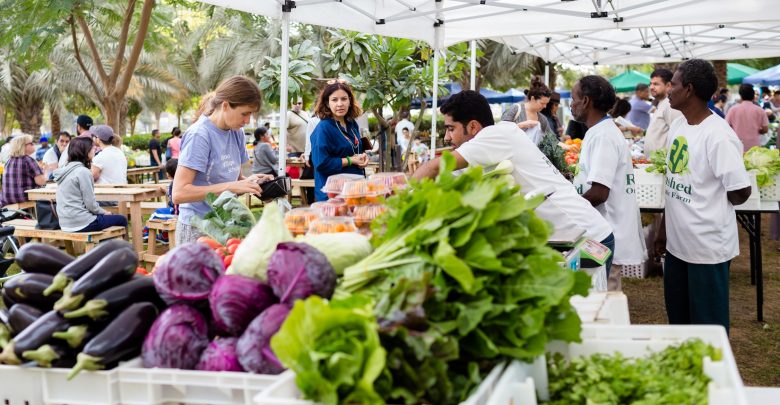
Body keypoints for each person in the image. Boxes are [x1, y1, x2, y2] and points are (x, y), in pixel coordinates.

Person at [412, 90, 614, 264]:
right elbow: (449, 180)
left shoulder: (494, 136)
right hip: (570, 236)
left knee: (588, 307)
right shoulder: (487, 145)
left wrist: (401, 193)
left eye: (450, 129)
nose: (447, 137)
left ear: (473, 126)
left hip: (587, 236)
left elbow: (435, 167)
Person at [653, 59, 752, 333]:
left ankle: (711, 374)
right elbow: (675, 184)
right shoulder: (679, 127)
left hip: (708, 250)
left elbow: (740, 190)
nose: (669, 89)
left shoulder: (719, 136)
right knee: (680, 322)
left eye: (673, 84)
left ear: (689, 89)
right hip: (677, 247)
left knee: (708, 328)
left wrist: (708, 206)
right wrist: (663, 230)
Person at [172, 76, 274, 244]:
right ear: (225, 105)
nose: (247, 121)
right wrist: (232, 186)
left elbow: (235, 180)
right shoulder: (200, 135)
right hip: (198, 228)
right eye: (244, 113)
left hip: (226, 224)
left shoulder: (236, 131)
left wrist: (251, 182)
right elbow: (179, 193)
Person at [571, 75, 646, 289]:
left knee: (606, 296)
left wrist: (570, 209)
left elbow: (599, 192)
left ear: (586, 101)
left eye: (574, 99)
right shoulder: (599, 132)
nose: (571, 105)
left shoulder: (603, 136)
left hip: (607, 234)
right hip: (602, 233)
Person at [53, 137, 128, 232]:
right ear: (86, 151)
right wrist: (105, 212)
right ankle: (113, 247)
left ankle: (104, 246)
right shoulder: (83, 172)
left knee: (105, 219)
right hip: (82, 223)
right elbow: (90, 205)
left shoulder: (65, 170)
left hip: (65, 223)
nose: (95, 150)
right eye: (92, 148)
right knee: (122, 219)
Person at [311, 81, 369, 202]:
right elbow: (321, 163)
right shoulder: (324, 128)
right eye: (334, 100)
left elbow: (354, 148)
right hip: (333, 195)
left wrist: (363, 157)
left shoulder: (352, 124)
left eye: (344, 99)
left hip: (355, 189)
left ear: (350, 101)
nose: (340, 104)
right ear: (327, 103)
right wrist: (350, 160)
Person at [501, 79, 567, 175]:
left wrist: (566, 146)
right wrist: (521, 125)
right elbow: (500, 131)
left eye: (546, 104)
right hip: (510, 162)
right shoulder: (516, 109)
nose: (545, 107)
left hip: (531, 165)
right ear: (532, 99)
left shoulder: (542, 119)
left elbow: (551, 139)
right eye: (542, 103)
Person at [644, 68, 684, 155]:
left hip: (662, 164)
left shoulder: (670, 105)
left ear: (668, 85)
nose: (651, 87)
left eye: (656, 84)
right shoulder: (662, 103)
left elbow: (678, 135)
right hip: (653, 163)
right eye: (650, 84)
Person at [0, 135, 46, 206]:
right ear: (22, 146)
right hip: (23, 200)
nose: (33, 144)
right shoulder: (28, 160)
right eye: (31, 143)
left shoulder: (9, 161)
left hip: (6, 200)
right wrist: (43, 170)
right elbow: (41, 182)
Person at [726, 84, 769, 151]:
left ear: (740, 96)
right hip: (754, 146)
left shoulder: (732, 110)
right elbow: (765, 129)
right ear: (753, 96)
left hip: (737, 145)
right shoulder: (760, 110)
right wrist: (757, 130)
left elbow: (726, 127)